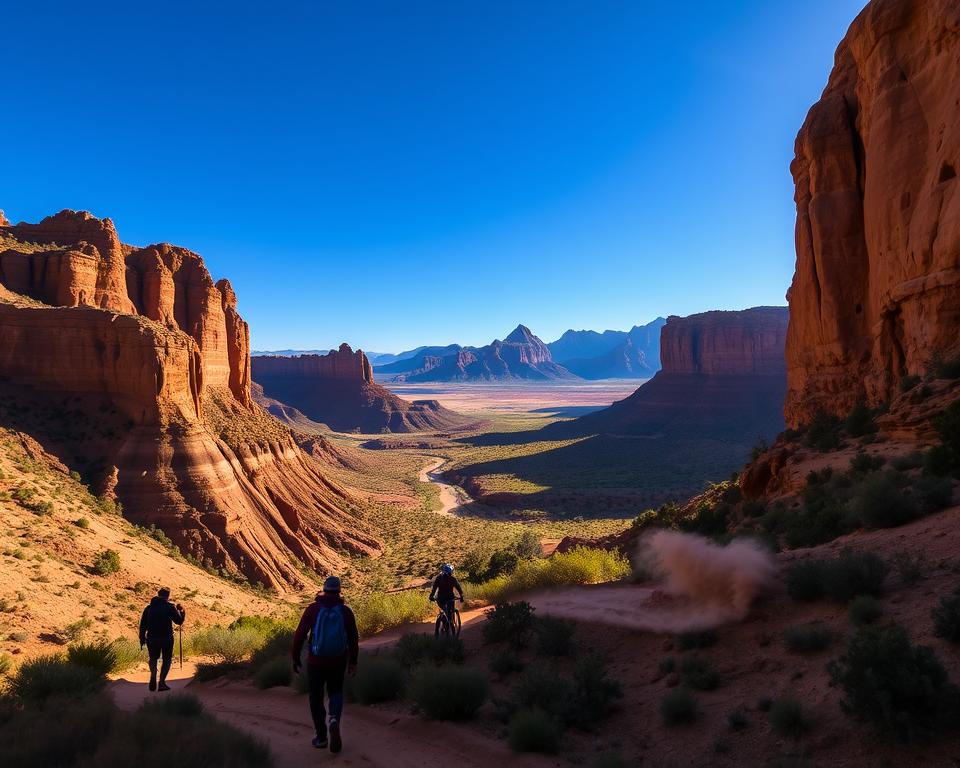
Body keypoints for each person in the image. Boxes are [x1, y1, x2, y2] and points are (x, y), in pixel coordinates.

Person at [292, 575, 359, 754]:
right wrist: (353, 661)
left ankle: (321, 738)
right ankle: (334, 719)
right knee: (336, 691)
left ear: (324, 589)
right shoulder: (345, 611)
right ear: (339, 591)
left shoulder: (313, 609)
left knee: (315, 697)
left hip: (316, 661)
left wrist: (295, 658)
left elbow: (299, 635)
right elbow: (353, 638)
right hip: (338, 659)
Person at [138, 587, 186, 692]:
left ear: (158, 594)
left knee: (153, 658)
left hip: (152, 638)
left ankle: (153, 673)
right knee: (167, 658)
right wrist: (182, 611)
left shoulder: (148, 608)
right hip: (166, 638)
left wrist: (142, 638)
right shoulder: (170, 607)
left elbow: (143, 625)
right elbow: (179, 621)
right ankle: (162, 683)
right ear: (168, 596)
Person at [429, 563, 464, 628]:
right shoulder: (453, 579)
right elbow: (459, 588)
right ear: (451, 572)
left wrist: (431, 596)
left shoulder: (439, 578)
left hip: (440, 599)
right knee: (451, 612)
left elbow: (434, 589)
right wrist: (461, 596)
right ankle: (450, 623)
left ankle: (445, 622)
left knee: (445, 611)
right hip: (450, 598)